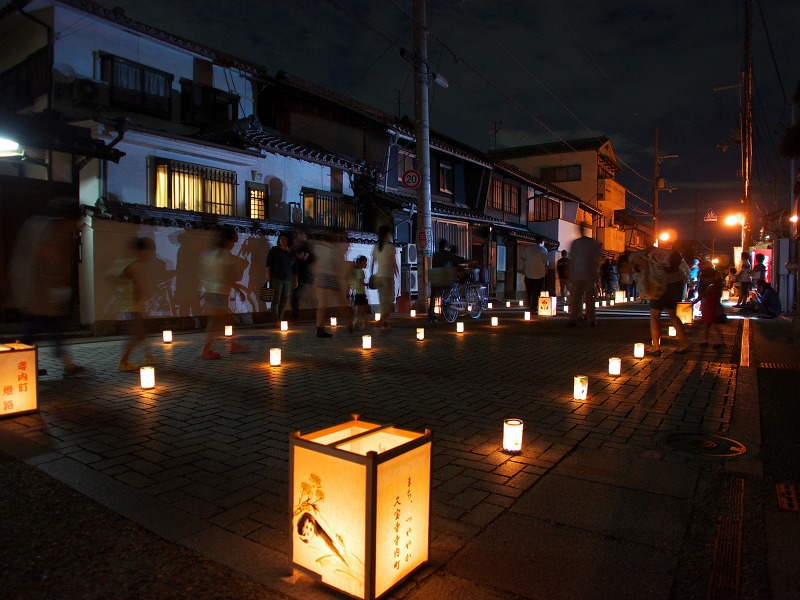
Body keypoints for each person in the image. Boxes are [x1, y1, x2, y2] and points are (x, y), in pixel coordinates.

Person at [8, 199, 86, 377]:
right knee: (36, 329)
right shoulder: (46, 231)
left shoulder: (48, 229)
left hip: (47, 295)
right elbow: (47, 261)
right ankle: (20, 365)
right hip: (39, 294)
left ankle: (67, 365)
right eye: (74, 221)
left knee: (52, 330)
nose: (75, 225)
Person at [630, 247, 690, 356]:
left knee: (654, 315)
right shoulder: (657, 254)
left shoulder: (633, 257)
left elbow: (646, 267)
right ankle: (684, 342)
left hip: (660, 284)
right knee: (672, 314)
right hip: (677, 283)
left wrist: (645, 286)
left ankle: (656, 347)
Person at [198, 227, 247, 359]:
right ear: (226, 240)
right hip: (220, 292)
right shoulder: (225, 255)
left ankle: (232, 345)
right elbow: (229, 276)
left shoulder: (207, 254)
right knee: (216, 323)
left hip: (209, 292)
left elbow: (202, 274)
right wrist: (238, 290)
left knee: (222, 321)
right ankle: (206, 351)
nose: (233, 245)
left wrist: (200, 290)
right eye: (232, 242)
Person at [112, 237, 158, 371]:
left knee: (141, 333)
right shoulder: (133, 265)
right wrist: (139, 289)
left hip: (135, 306)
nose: (149, 255)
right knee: (136, 335)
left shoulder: (134, 264)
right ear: (140, 251)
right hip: (133, 306)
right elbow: (126, 274)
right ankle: (123, 362)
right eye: (147, 252)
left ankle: (148, 356)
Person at [311, 230, 348, 338]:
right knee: (341, 301)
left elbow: (314, 262)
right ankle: (349, 323)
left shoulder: (318, 247)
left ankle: (320, 328)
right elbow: (338, 266)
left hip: (321, 276)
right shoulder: (334, 250)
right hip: (331, 276)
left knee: (322, 304)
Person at [567, 224, 602, 326]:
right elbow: (596, 259)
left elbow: (573, 260)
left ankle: (582, 318)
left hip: (583, 275)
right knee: (583, 298)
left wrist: (570, 274)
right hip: (585, 275)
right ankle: (583, 318)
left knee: (580, 298)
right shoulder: (587, 242)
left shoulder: (579, 243)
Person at [371, 225, 398, 331]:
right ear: (387, 234)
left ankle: (384, 324)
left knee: (383, 302)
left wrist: (372, 275)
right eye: (389, 234)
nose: (390, 236)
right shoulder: (390, 247)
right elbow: (394, 263)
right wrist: (397, 273)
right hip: (388, 277)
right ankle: (380, 323)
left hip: (379, 276)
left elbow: (373, 262)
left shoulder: (376, 246)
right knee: (390, 301)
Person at [265, 233, 297, 325]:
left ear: (288, 240)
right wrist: (268, 275)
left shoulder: (291, 253)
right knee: (276, 299)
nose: (282, 240)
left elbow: (295, 268)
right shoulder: (275, 250)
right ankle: (275, 320)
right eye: (281, 238)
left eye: (285, 238)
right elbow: (268, 263)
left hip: (287, 279)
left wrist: (296, 279)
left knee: (284, 299)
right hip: (276, 278)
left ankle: (280, 318)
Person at [691, 267, 726, 348]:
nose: (703, 280)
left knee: (712, 324)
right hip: (713, 307)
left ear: (709, 278)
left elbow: (703, 295)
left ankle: (718, 342)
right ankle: (708, 341)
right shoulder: (717, 284)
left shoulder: (712, 286)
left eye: (704, 279)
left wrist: (694, 302)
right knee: (709, 324)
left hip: (711, 308)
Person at [428, 239, 456, 322]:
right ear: (445, 246)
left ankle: (431, 315)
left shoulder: (435, 255)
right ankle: (447, 311)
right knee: (450, 290)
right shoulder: (446, 254)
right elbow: (455, 260)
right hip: (443, 278)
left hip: (435, 277)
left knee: (433, 296)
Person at [290, 228, 313, 320]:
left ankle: (295, 314)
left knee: (297, 294)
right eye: (299, 234)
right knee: (297, 294)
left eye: (302, 235)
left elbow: (306, 257)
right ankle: (295, 314)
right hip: (301, 274)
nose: (300, 236)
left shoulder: (304, 246)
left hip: (303, 274)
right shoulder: (299, 246)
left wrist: (299, 256)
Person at [521, 236, 548, 308]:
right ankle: (534, 306)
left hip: (529, 273)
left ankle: (529, 303)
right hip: (540, 274)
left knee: (529, 291)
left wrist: (526, 264)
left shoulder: (528, 248)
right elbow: (544, 261)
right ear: (542, 242)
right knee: (536, 292)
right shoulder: (544, 250)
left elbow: (522, 258)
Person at [348, 255, 369, 332]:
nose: (366, 264)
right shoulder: (360, 271)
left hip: (357, 292)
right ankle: (358, 324)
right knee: (361, 309)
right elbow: (361, 282)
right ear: (361, 263)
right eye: (365, 262)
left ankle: (356, 323)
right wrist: (367, 284)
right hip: (360, 292)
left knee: (358, 309)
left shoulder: (354, 271)